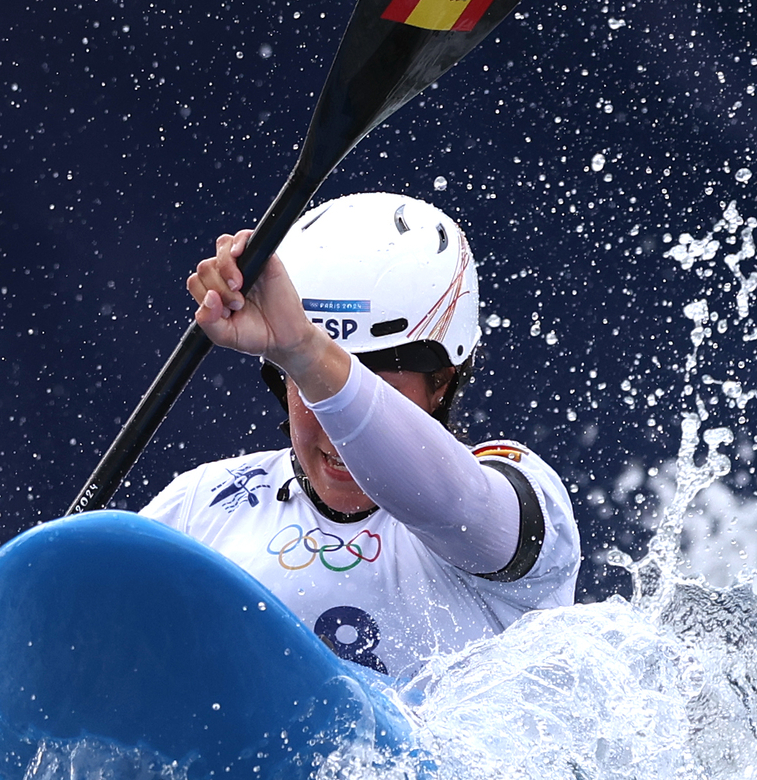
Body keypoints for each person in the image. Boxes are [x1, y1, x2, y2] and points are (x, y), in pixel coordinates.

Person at [146, 191, 581, 683]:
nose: (332, 420)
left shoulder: (517, 500)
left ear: (441, 380)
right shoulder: (200, 506)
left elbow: (449, 501)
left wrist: (307, 352)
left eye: (363, 382)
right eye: (303, 381)